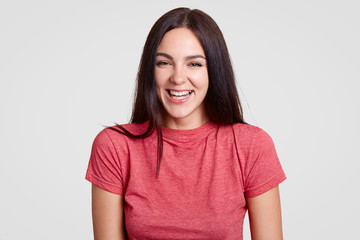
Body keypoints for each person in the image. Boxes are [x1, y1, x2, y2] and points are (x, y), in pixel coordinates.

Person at [85, 7, 286, 240]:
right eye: (164, 63)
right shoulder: (114, 147)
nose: (178, 78)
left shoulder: (252, 145)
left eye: (194, 64)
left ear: (214, 70)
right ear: (150, 70)